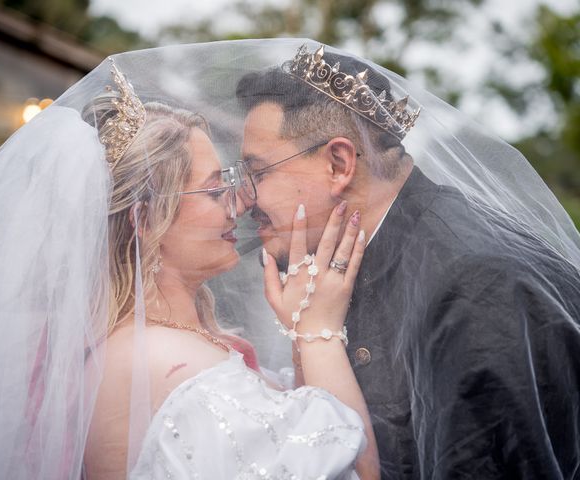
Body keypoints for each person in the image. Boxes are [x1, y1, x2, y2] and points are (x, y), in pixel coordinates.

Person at [0, 53, 379, 479]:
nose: (240, 203)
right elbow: (355, 470)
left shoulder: (128, 346)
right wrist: (318, 334)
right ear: (145, 220)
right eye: (214, 191)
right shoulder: (173, 367)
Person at [235, 43, 580, 479]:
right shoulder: (350, 268)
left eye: (259, 173)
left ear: (339, 164)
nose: (247, 199)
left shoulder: (473, 286)